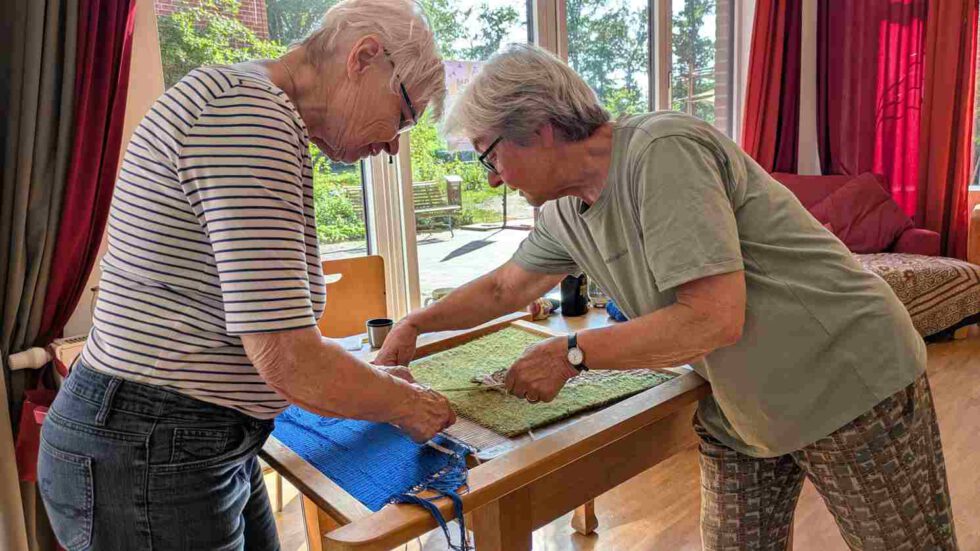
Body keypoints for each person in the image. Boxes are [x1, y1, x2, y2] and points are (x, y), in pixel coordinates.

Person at [375, 44, 958, 549]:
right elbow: (506, 286)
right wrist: (415, 323)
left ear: (539, 128)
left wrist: (571, 354)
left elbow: (712, 319)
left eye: (489, 154)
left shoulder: (662, 151)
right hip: (742, 403)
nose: (491, 177)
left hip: (847, 378)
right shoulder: (563, 212)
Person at [37, 1, 456, 549]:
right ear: (365, 57)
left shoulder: (249, 105)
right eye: (403, 115)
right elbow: (288, 360)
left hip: (183, 437)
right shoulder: (246, 114)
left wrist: (373, 385)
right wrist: (406, 404)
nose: (394, 143)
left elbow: (262, 328)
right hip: (151, 444)